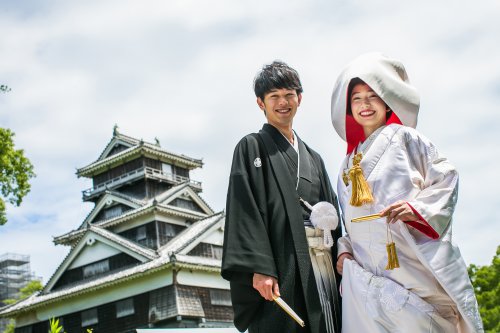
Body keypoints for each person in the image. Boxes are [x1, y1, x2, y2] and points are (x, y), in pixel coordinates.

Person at [331, 52, 483, 333]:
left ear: (386, 101)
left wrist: (416, 210)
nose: (365, 104)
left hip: (406, 257)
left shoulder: (406, 138)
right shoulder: (345, 164)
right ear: (348, 108)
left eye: (372, 96)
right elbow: (348, 222)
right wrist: (344, 251)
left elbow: (446, 177)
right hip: (367, 269)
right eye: (356, 98)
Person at [222, 61, 342, 333]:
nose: (283, 102)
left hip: (321, 263)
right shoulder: (251, 146)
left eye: (289, 95)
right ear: (260, 103)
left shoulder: (314, 158)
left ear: (299, 98)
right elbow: (244, 210)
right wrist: (259, 268)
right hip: (281, 263)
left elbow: (334, 211)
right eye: (274, 96)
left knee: (327, 323)